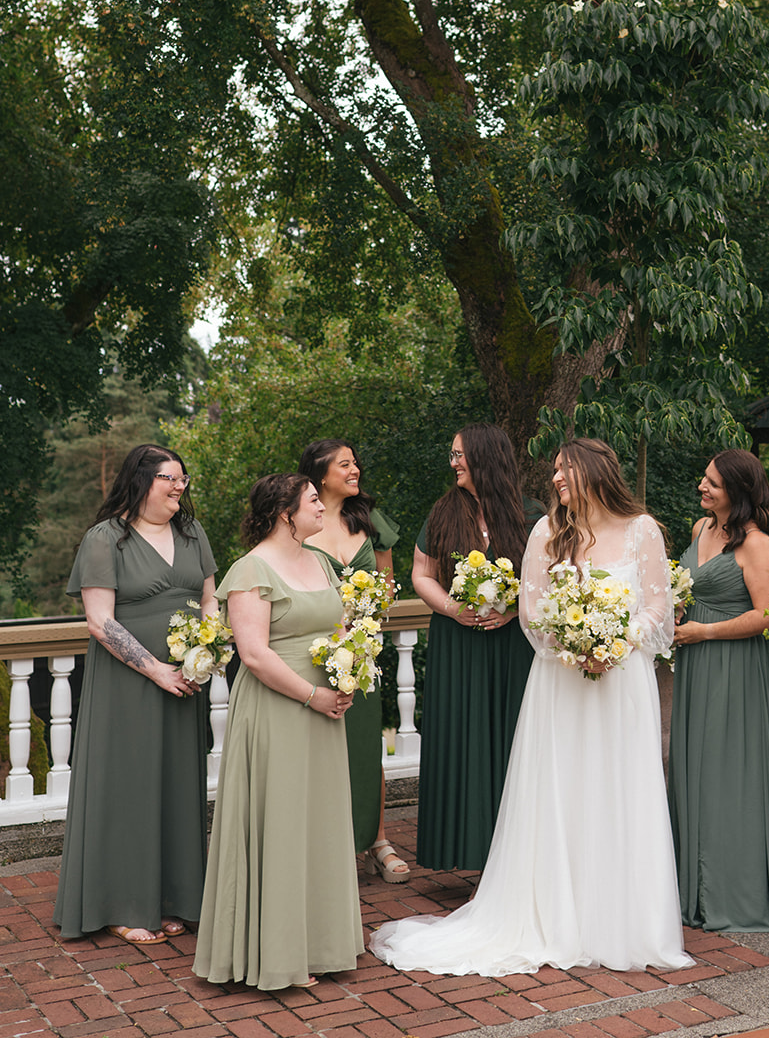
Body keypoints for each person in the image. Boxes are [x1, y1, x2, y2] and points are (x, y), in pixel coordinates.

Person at [372, 438, 692, 975]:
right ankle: (552, 913)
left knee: (619, 786)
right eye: (556, 473)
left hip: (621, 680)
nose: (557, 480)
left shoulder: (643, 530)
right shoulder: (547, 531)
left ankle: (622, 918)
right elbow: (532, 610)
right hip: (560, 682)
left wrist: (615, 640)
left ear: (593, 472)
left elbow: (660, 607)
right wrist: (573, 645)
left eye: (565, 471)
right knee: (561, 787)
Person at [192, 474, 363, 991]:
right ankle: (276, 951)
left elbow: (339, 625)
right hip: (278, 709)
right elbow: (254, 654)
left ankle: (321, 941)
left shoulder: (321, 562)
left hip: (325, 708)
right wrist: (313, 695)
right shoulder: (250, 570)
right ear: (286, 513)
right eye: (313, 501)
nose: (321, 507)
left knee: (320, 823)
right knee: (282, 822)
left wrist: (348, 670)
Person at [54, 445, 218, 946]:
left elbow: (211, 600)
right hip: (128, 684)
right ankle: (122, 903)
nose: (179, 487)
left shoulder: (193, 534)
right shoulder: (105, 539)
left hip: (185, 681)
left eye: (183, 480)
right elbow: (100, 620)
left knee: (176, 786)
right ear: (141, 480)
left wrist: (205, 653)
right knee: (127, 786)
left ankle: (170, 898)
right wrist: (156, 671)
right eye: (170, 478)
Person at [668, 449, 769, 933]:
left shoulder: (757, 543)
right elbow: (692, 588)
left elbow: (768, 615)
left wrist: (704, 632)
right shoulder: (702, 531)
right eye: (704, 479)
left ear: (739, 493)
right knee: (695, 766)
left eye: (714, 485)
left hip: (736, 668)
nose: (703, 488)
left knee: (729, 773)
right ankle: (693, 888)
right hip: (697, 665)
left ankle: (732, 890)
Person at [412, 423, 541, 870]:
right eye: (451, 455)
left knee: (513, 739)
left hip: (513, 645)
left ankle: (517, 855)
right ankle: (466, 850)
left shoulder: (532, 514)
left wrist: (513, 609)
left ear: (486, 456)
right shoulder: (443, 512)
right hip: (458, 644)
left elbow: (548, 579)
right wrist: (451, 608)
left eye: (460, 455)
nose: (454, 463)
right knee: (462, 738)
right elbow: (421, 575)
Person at [300, 437, 409, 881]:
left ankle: (377, 839)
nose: (354, 470)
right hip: (314, 650)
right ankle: (329, 843)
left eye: (355, 463)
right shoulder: (302, 519)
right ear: (320, 473)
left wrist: (368, 612)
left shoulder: (370, 520)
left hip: (362, 651)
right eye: (344, 464)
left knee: (366, 746)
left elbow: (386, 584)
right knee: (320, 749)